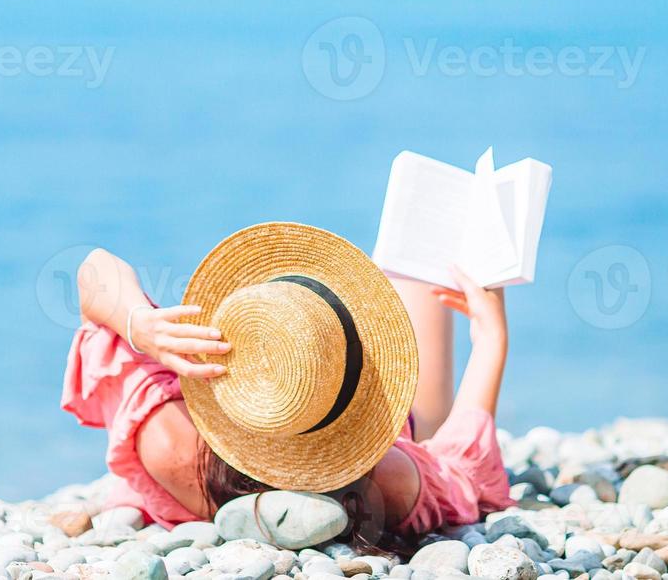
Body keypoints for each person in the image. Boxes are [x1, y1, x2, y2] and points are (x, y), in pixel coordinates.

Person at [60, 222, 512, 546]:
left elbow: (94, 269)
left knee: (416, 252)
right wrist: (491, 338)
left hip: (221, 456)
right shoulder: (383, 476)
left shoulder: (166, 434)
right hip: (393, 427)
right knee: (422, 257)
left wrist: (141, 325)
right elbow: (467, 473)